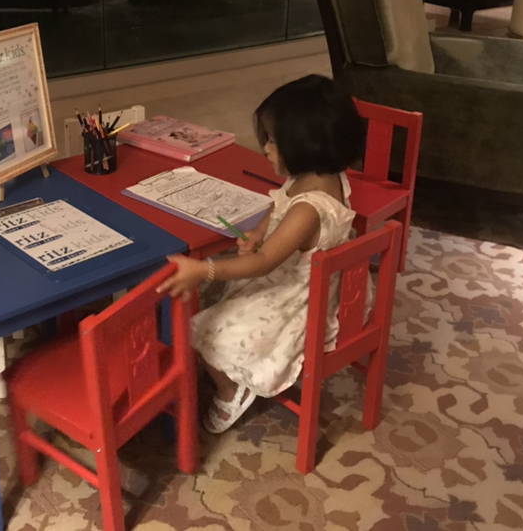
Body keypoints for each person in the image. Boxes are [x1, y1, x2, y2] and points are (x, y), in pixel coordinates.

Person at [157, 74, 367, 433]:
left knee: (206, 329)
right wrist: (259, 232)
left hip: (297, 302)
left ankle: (231, 391)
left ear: (305, 146)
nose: (266, 149)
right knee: (218, 304)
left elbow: (263, 263)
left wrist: (204, 270)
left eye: (273, 141)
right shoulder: (319, 176)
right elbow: (280, 204)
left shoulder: (309, 210)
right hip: (302, 280)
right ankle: (232, 369)